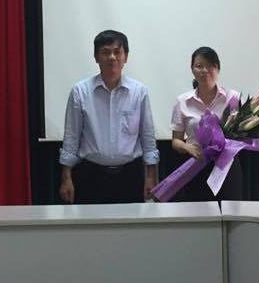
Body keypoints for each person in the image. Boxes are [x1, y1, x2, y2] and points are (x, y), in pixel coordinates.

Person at [58, 30, 159, 204]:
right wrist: (66, 177)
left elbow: (148, 138)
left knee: (130, 222)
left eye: (117, 52)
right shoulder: (80, 92)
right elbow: (71, 137)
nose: (112, 57)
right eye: (105, 52)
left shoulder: (139, 92)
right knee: (90, 222)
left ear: (126, 57)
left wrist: (151, 177)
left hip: (130, 176)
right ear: (96, 57)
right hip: (90, 175)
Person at [169, 47, 244, 201]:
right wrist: (187, 147)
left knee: (229, 211)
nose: (205, 70)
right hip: (196, 166)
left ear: (218, 69)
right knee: (198, 212)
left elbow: (243, 132)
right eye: (199, 66)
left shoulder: (232, 98)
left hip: (226, 167)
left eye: (210, 66)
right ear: (192, 69)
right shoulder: (182, 101)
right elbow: (176, 140)